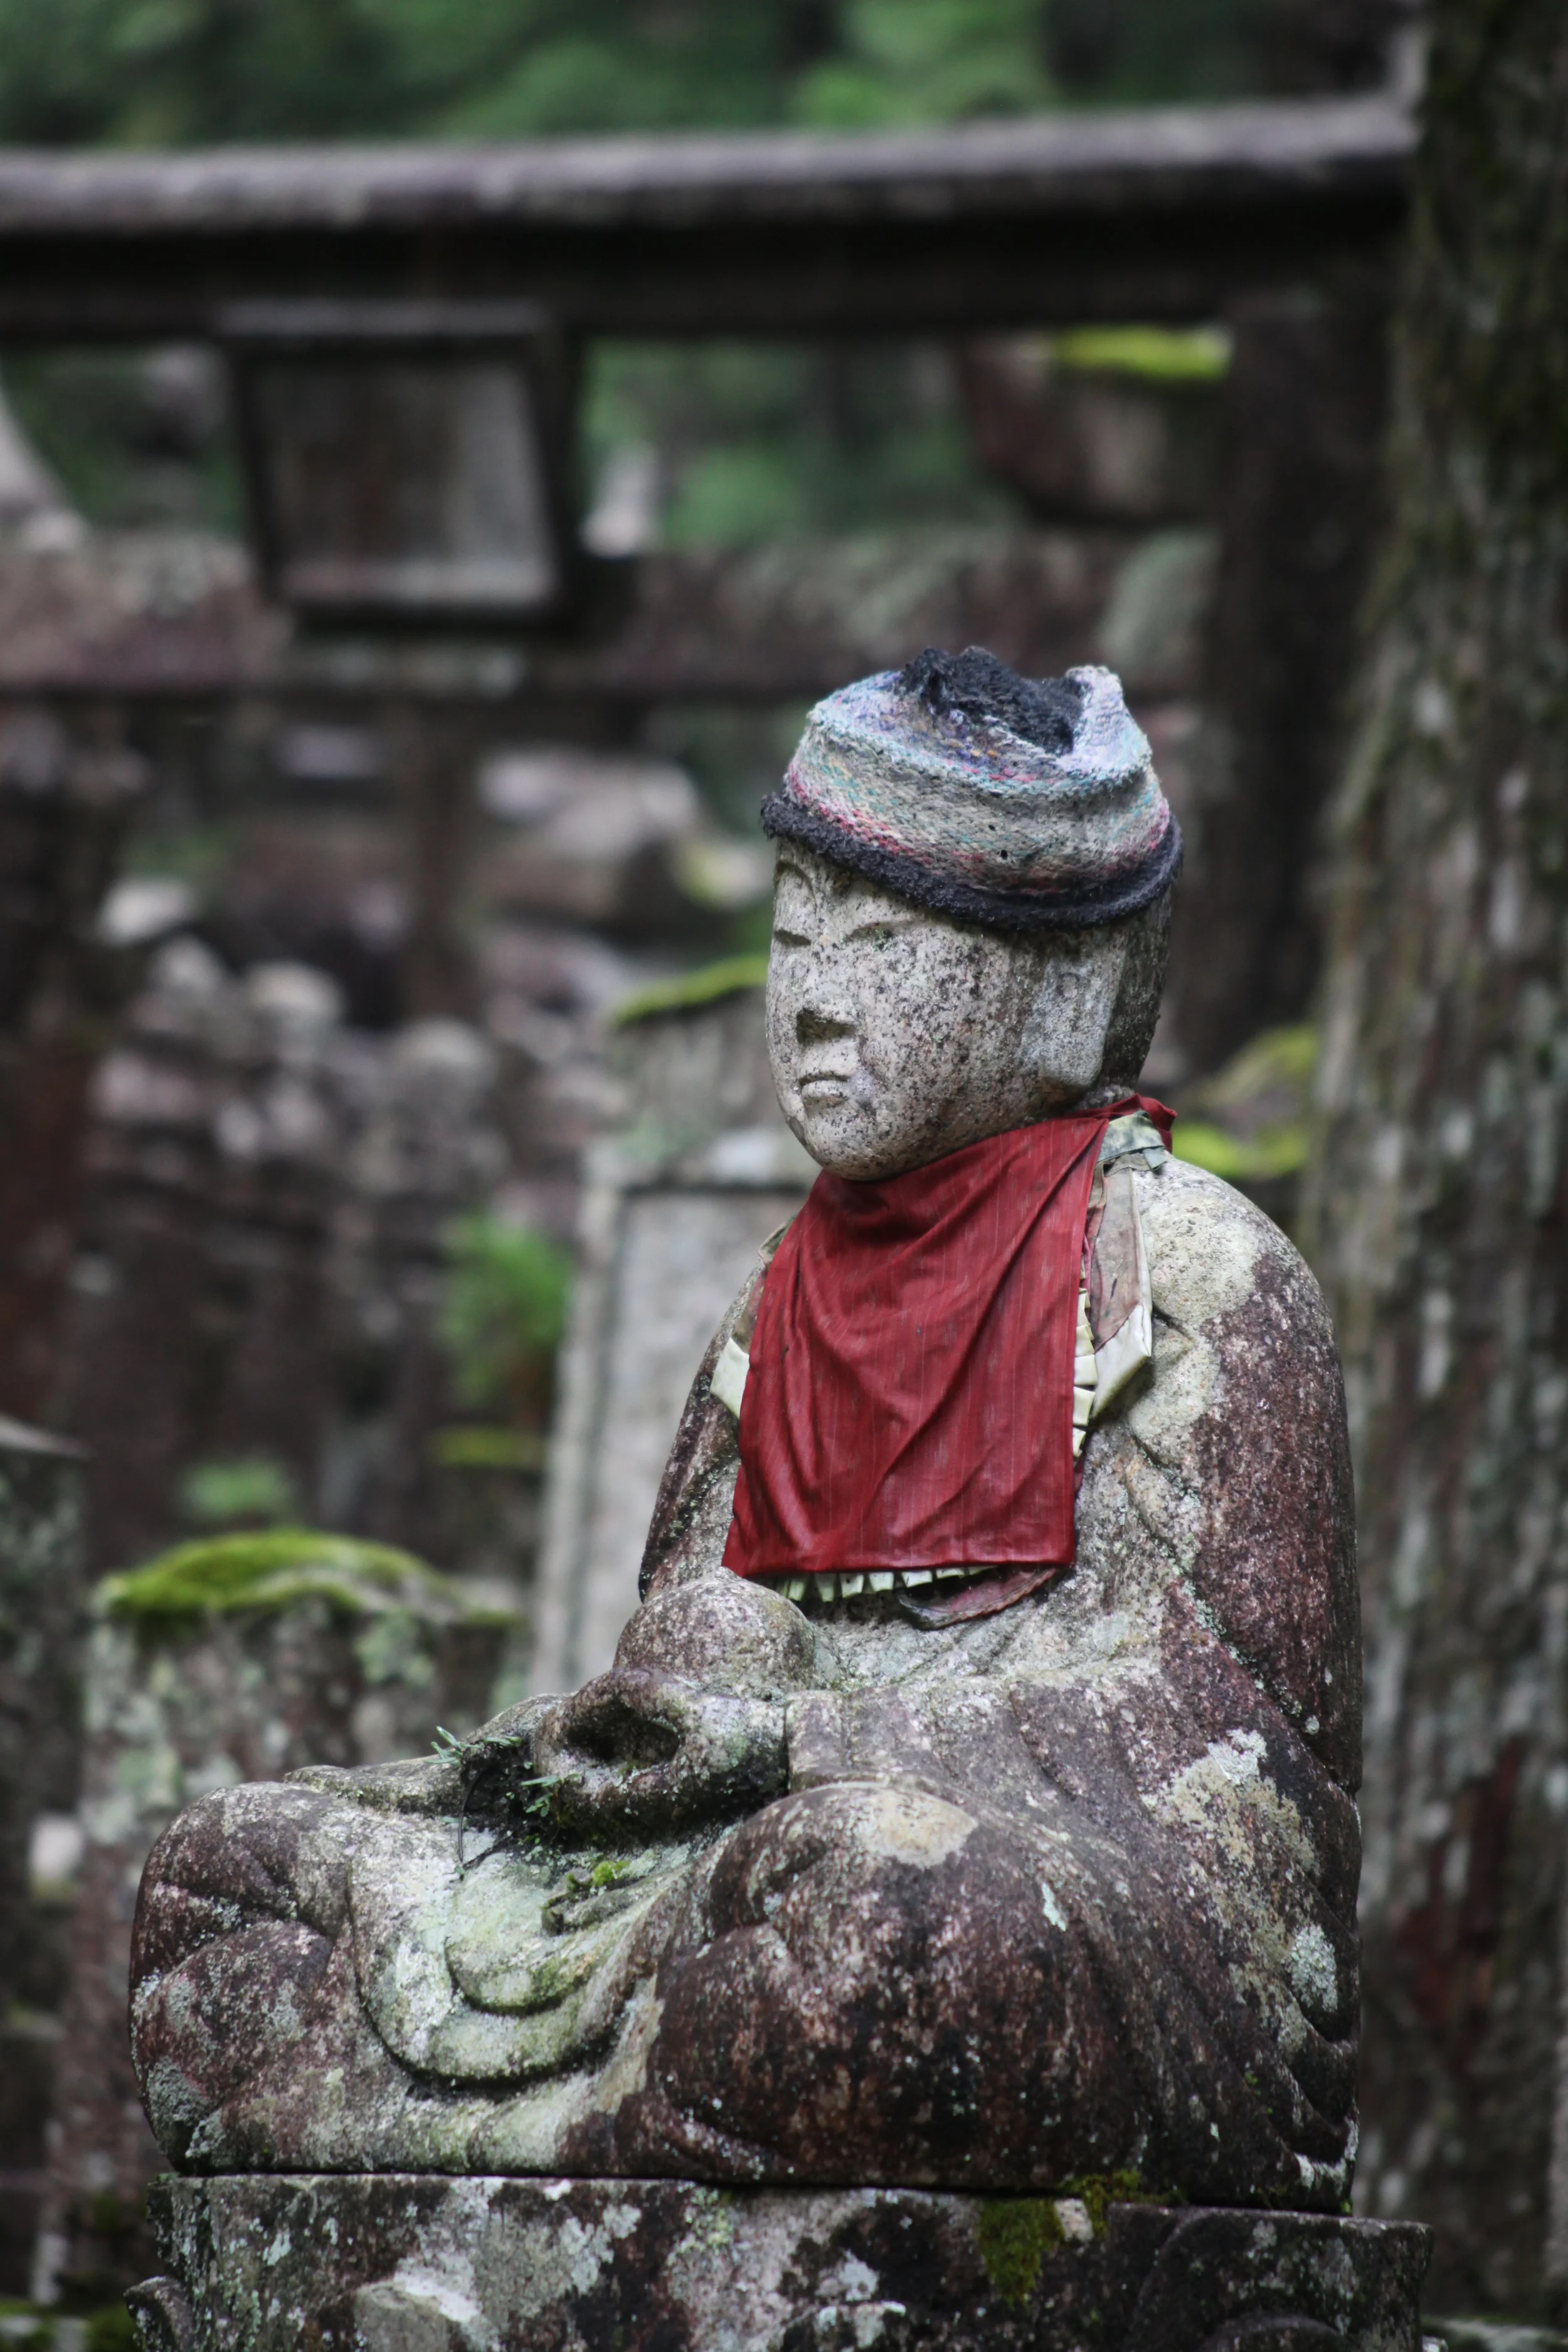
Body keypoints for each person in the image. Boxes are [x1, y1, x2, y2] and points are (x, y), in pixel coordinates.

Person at [130, 648, 1359, 2208]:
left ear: (1057, 988)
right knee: (220, 1874)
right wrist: (605, 1740)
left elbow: (1223, 1741)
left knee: (885, 1921)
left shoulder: (1190, 1276)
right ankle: (603, 2122)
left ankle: (508, 2131)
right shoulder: (778, 1298)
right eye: (792, 935)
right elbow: (686, 1657)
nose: (814, 999)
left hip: (1039, 1893)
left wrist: (809, 1740)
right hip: (717, 1876)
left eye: (880, 943)